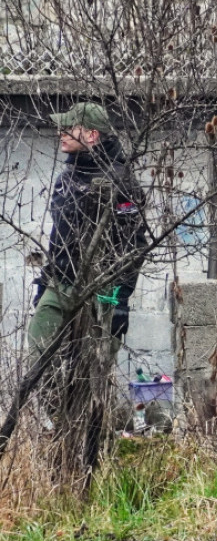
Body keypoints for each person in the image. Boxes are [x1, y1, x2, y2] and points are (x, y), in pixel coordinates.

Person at [29, 102, 144, 388]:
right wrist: (45, 281)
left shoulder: (122, 181)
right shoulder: (67, 177)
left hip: (102, 289)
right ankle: (59, 424)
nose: (61, 133)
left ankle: (90, 430)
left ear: (91, 135)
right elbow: (59, 236)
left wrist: (120, 300)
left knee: (92, 375)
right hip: (62, 283)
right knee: (38, 359)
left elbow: (134, 244)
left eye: (70, 128)